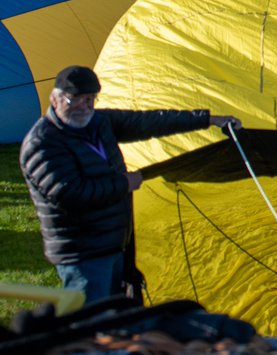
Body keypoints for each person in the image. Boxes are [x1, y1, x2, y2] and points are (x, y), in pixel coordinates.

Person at [19, 65, 242, 304]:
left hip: (114, 245)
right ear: (54, 98)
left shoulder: (98, 122)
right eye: (75, 99)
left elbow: (149, 122)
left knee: (115, 323)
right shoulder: (42, 144)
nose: (85, 106)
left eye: (90, 99)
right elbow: (71, 195)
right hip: (82, 255)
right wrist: (124, 183)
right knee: (90, 326)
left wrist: (209, 119)